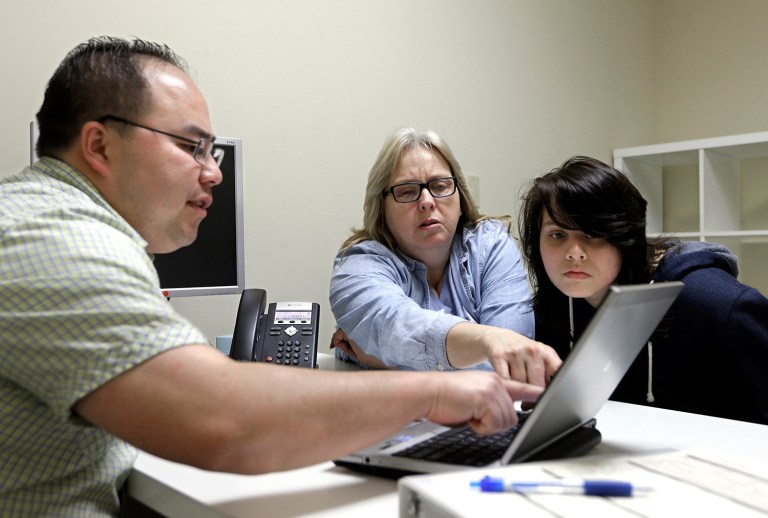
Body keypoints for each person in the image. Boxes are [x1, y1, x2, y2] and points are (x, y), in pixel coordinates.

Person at [0, 37, 544, 516]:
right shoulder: (56, 242)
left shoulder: (66, 229)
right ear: (99, 145)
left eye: (212, 151)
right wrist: (428, 394)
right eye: (192, 147)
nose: (214, 171)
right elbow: (223, 419)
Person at [517, 155, 768, 425]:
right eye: (558, 235)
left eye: (592, 234)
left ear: (626, 237)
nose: (574, 253)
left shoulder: (716, 303)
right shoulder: (549, 310)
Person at [329, 127, 561, 385]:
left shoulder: (490, 245)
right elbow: (393, 324)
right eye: (406, 191)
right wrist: (487, 342)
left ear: (460, 195)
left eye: (440, 186)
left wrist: (385, 362)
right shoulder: (358, 264)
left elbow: (510, 366)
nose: (427, 201)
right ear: (381, 208)